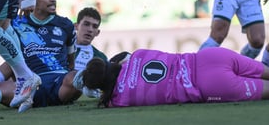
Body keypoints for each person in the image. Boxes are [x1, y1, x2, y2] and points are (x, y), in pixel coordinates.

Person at [81, 47, 269, 108]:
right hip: (210, 56)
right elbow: (124, 59)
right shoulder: (137, 55)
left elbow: (92, 93)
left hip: (209, 86)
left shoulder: (120, 99)